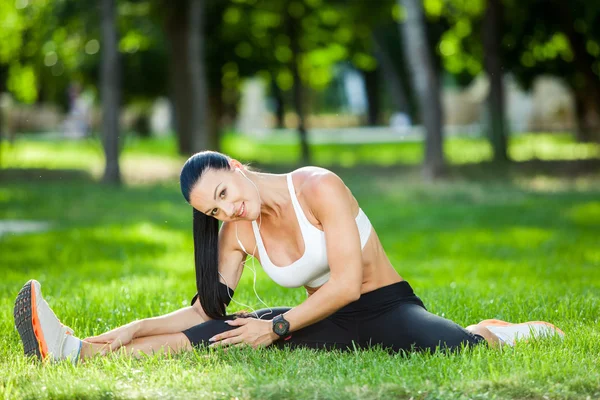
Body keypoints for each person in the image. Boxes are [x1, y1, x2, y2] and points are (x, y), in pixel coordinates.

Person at [13, 151, 565, 364]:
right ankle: (77, 352)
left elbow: (348, 284)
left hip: (382, 303)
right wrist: (139, 324)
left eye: (224, 193)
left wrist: (275, 327)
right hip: (320, 316)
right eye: (215, 211)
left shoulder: (318, 187)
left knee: (455, 349)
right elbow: (207, 310)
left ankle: (504, 331)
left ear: (235, 166)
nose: (228, 211)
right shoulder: (237, 232)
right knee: (220, 337)